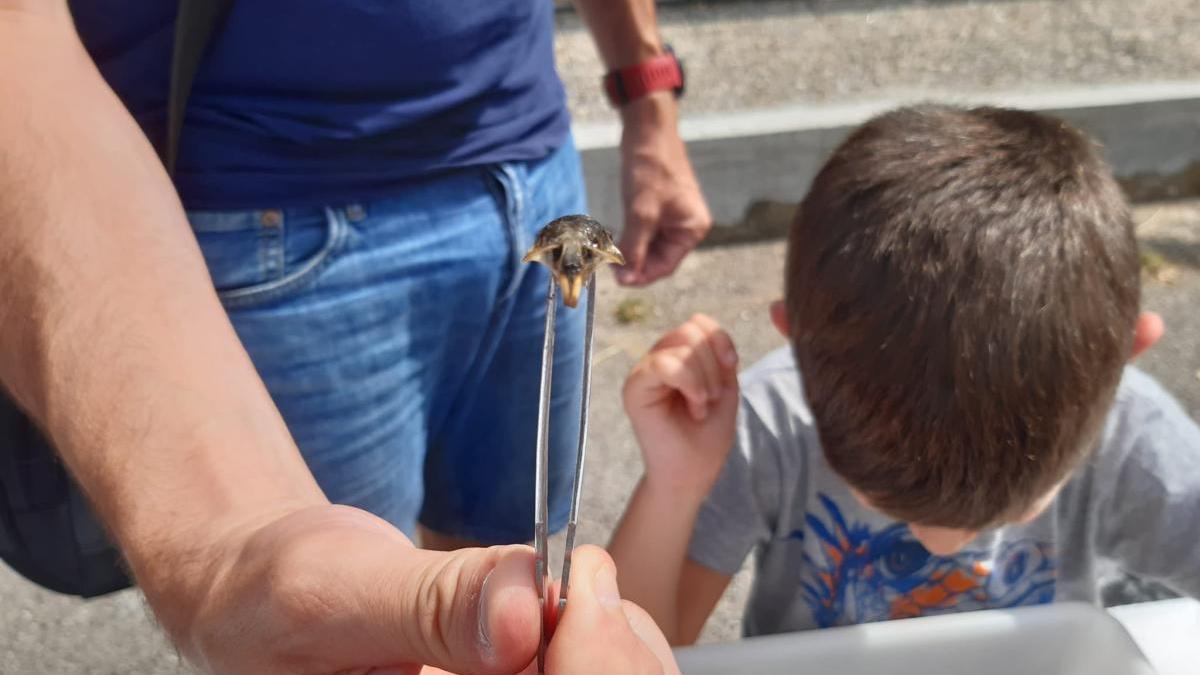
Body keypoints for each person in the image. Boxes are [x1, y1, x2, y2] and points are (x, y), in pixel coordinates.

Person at [0, 0, 700, 672]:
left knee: (519, 581)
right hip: (270, 208)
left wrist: (645, 88)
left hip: (533, 163)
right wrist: (223, 555)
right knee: (354, 631)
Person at [609, 105, 1200, 644]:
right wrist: (675, 483)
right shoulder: (761, 426)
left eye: (1010, 510)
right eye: (884, 501)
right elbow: (631, 650)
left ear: (1126, 354)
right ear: (791, 334)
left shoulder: (1130, 432)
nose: (938, 543)